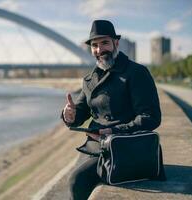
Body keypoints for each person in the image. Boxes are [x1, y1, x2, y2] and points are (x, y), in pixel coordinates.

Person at [62, 20, 165, 200]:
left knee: (75, 181)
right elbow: (80, 112)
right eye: (94, 45)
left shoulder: (136, 72)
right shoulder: (89, 79)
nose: (99, 50)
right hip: (96, 145)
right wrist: (70, 116)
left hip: (126, 146)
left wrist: (112, 131)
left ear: (116, 43)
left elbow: (151, 117)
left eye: (104, 43)